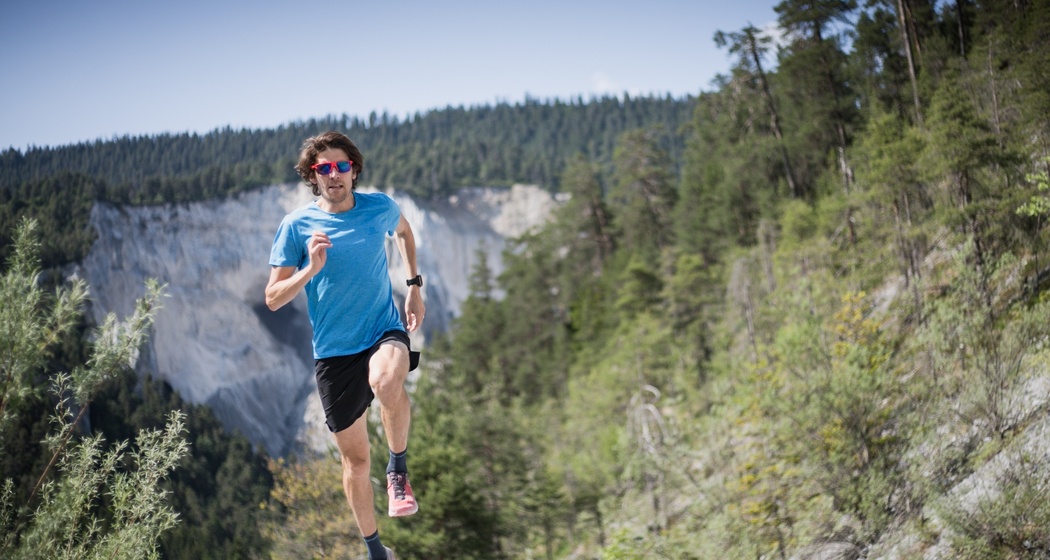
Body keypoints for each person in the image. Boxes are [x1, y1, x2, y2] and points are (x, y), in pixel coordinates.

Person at [265, 131, 424, 560]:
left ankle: (398, 470)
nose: (334, 175)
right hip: (334, 353)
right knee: (354, 463)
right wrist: (309, 269)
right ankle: (376, 550)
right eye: (323, 169)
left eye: (341, 166)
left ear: (353, 170)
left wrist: (413, 286)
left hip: (382, 330)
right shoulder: (295, 227)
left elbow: (406, 233)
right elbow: (273, 298)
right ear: (313, 177)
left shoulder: (379, 209)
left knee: (387, 381)